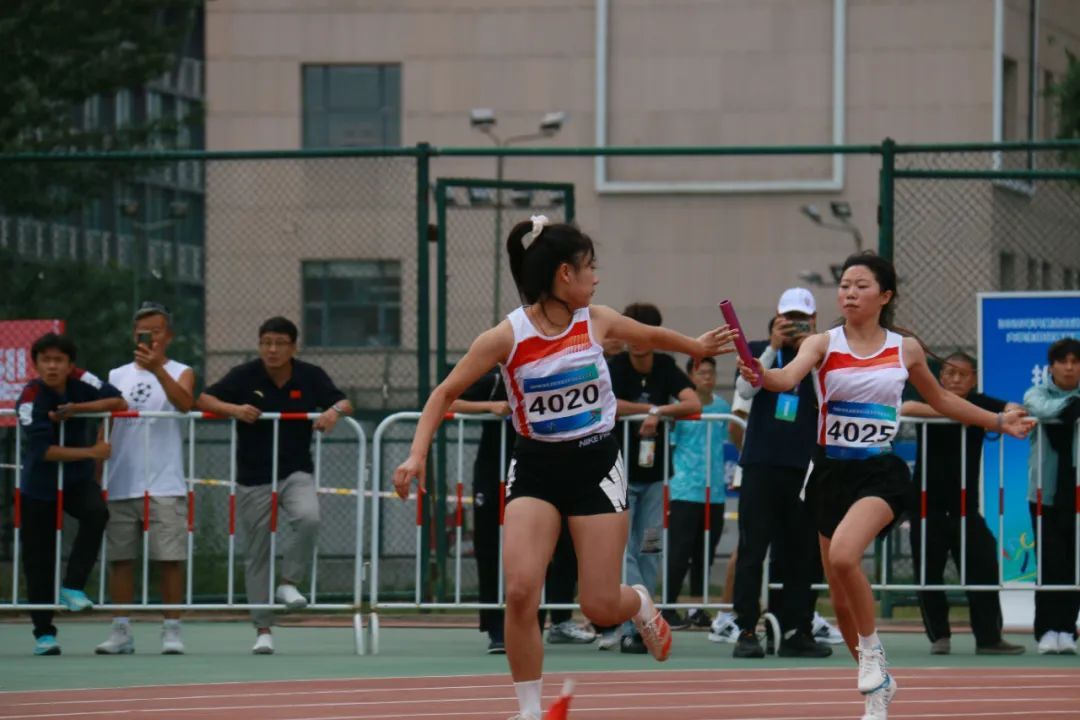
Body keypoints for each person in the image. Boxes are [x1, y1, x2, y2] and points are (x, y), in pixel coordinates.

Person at [392, 216, 736, 720]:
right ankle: (530, 710)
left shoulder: (595, 320)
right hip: (535, 469)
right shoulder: (506, 336)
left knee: (599, 606)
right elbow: (444, 393)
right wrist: (415, 454)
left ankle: (640, 603)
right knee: (519, 591)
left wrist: (697, 347)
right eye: (589, 267)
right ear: (564, 274)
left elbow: (651, 336)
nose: (596, 277)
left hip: (595, 466)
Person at [738, 253, 1034, 720]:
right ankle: (878, 691)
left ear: (885, 296)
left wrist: (998, 420)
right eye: (844, 285)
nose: (850, 293)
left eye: (861, 286)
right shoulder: (821, 343)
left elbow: (943, 400)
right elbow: (783, 378)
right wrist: (760, 374)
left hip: (879, 473)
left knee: (844, 556)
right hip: (828, 474)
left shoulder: (905, 349)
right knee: (839, 600)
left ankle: (873, 651)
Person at [197, 316, 353, 655]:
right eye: (266, 342)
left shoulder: (310, 375)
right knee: (257, 553)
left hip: (295, 471)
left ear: (293, 347)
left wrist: (333, 413)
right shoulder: (244, 375)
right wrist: (235, 410)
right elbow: (204, 400)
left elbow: (344, 401)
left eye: (280, 343)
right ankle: (263, 629)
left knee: (309, 518)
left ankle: (288, 583)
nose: (272, 349)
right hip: (253, 476)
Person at [449, 373, 595, 654]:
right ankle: (495, 627)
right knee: (489, 546)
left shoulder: (549, 375)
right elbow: (449, 400)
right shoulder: (492, 379)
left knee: (547, 546)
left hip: (538, 471)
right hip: (494, 473)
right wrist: (489, 406)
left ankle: (536, 622)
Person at [729, 290, 832, 660]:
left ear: (814, 320)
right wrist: (773, 347)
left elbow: (829, 396)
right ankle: (746, 630)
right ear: (776, 316)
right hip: (761, 465)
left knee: (802, 554)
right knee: (753, 550)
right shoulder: (757, 350)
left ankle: (795, 630)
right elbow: (746, 389)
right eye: (789, 318)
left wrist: (811, 348)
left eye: (802, 319)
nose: (795, 325)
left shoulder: (821, 356)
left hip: (805, 468)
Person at [900, 352, 1025, 656]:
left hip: (965, 509)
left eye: (963, 374)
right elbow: (905, 407)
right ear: (940, 377)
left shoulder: (980, 402)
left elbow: (1015, 409)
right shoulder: (929, 397)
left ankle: (989, 638)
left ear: (974, 379)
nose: (955, 379)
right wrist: (961, 413)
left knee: (983, 566)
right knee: (928, 575)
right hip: (926, 508)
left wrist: (995, 414)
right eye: (950, 373)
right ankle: (939, 636)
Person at [94, 302, 196, 656]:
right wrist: (98, 470)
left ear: (168, 336)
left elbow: (185, 403)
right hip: (122, 479)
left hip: (165, 480)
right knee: (121, 559)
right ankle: (121, 630)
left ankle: (172, 630)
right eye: (143, 332)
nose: (150, 337)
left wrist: (157, 370)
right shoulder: (116, 374)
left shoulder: (182, 371)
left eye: (156, 331)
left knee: (169, 558)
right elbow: (106, 420)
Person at [15, 333, 127, 655]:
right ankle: (44, 635)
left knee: (97, 513)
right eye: (45, 360)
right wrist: (92, 452)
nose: (52, 366)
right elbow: (44, 451)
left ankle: (73, 586)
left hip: (77, 480)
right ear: (36, 364)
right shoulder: (29, 397)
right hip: (39, 486)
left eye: (58, 360)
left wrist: (76, 409)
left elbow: (119, 402)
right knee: (39, 560)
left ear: (70, 365)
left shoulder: (83, 380)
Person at [606, 302, 700, 652]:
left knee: (649, 546)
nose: (635, 340)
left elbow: (693, 403)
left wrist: (660, 412)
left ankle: (647, 622)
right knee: (622, 550)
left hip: (655, 477)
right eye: (629, 331)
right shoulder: (615, 366)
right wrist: (651, 410)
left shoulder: (665, 366)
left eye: (642, 333)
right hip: (620, 475)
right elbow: (609, 404)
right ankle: (633, 620)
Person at [663, 356, 731, 629]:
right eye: (702, 373)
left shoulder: (722, 407)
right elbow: (671, 444)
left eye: (711, 373)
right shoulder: (679, 409)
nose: (707, 378)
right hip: (684, 489)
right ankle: (668, 606)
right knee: (679, 552)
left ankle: (696, 608)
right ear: (690, 376)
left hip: (714, 491)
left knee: (706, 553)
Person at [1022, 337, 1080, 655]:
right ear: (1052, 366)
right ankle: (1046, 630)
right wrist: (1073, 406)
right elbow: (1041, 410)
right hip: (1044, 493)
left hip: (1078, 494)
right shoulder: (1036, 393)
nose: (1069, 367)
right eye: (1063, 361)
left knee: (1075, 562)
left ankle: (1067, 630)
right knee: (1049, 561)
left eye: (1075, 361)